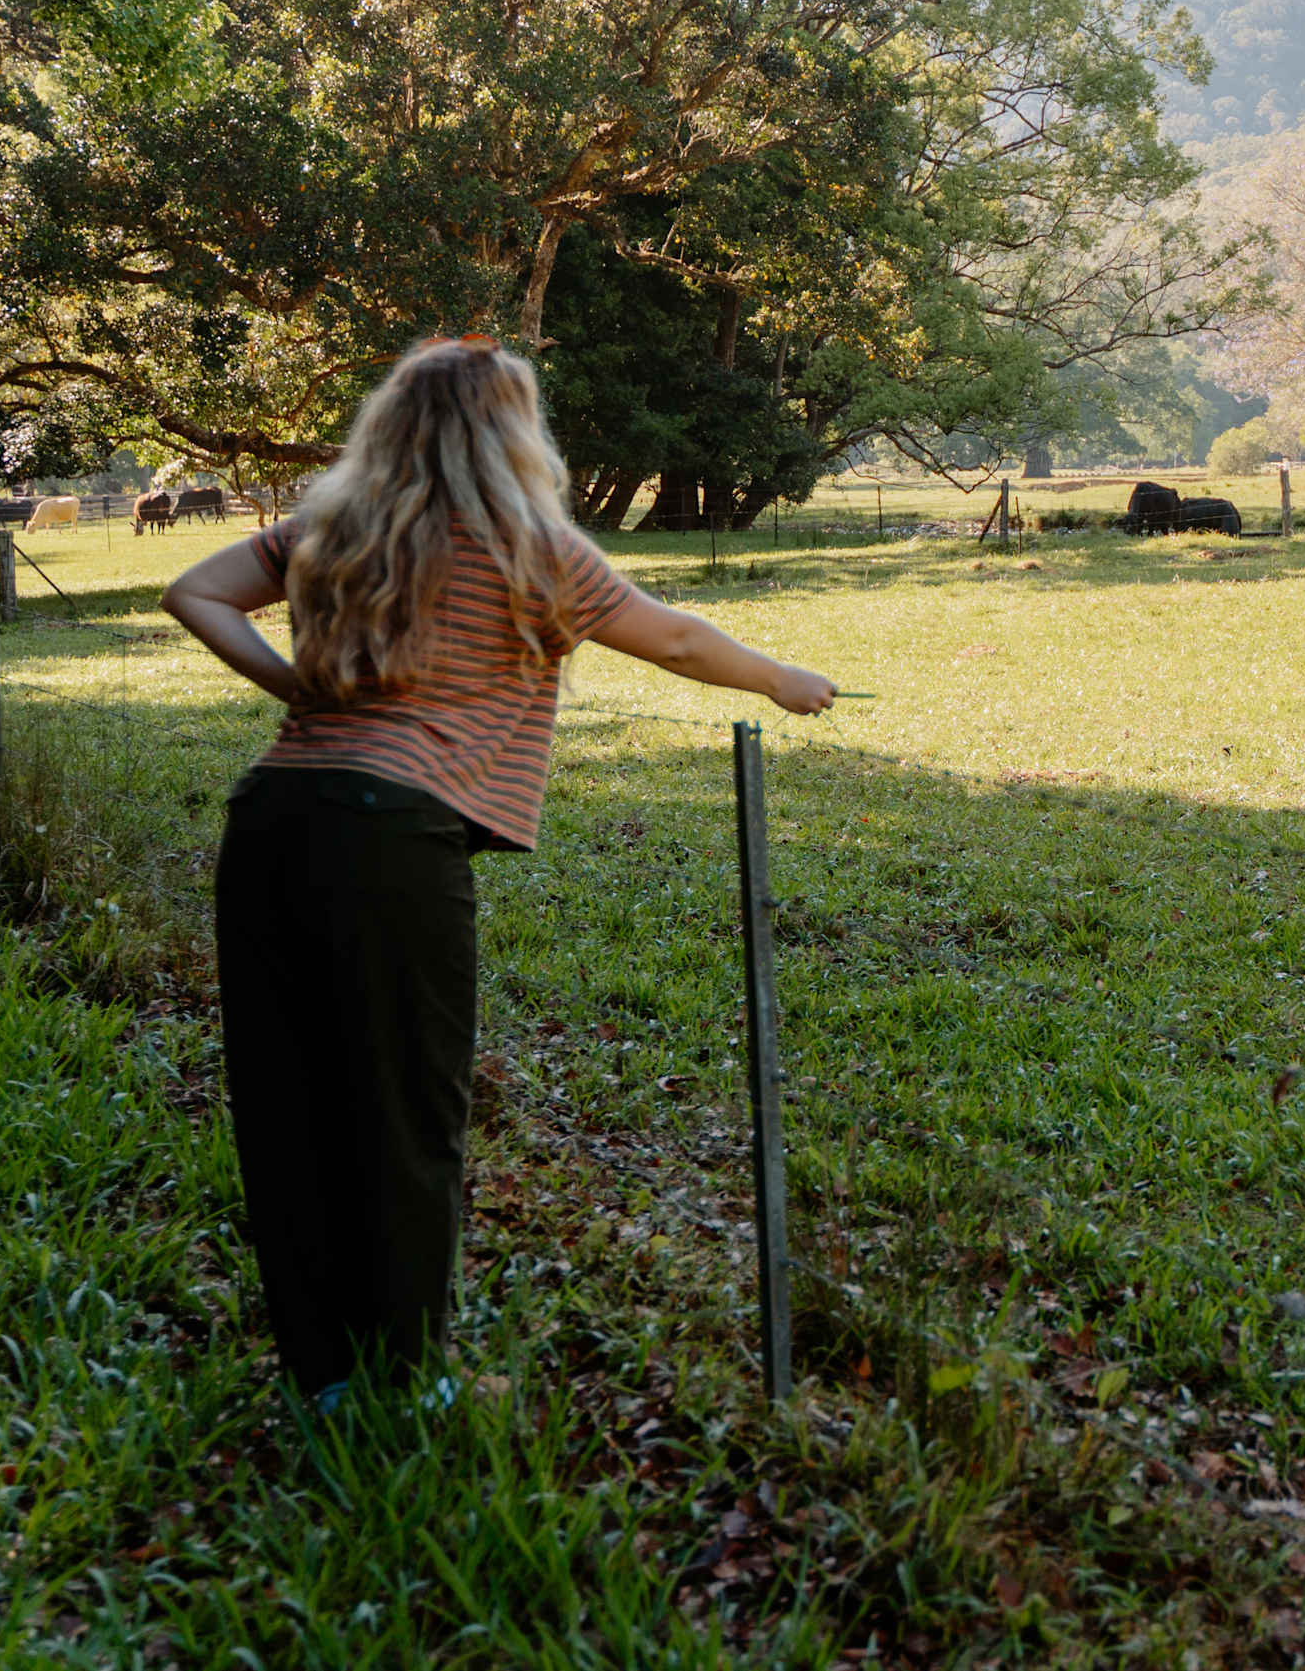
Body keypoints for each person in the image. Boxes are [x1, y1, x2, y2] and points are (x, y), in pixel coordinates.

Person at [162, 336, 834, 1412]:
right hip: (389, 843)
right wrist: (783, 679)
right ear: (511, 433)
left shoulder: (334, 530)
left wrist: (297, 690)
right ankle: (401, 1383)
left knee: (288, 1113)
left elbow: (194, 591)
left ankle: (324, 1377)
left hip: (270, 821)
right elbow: (673, 640)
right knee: (407, 1117)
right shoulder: (527, 546)